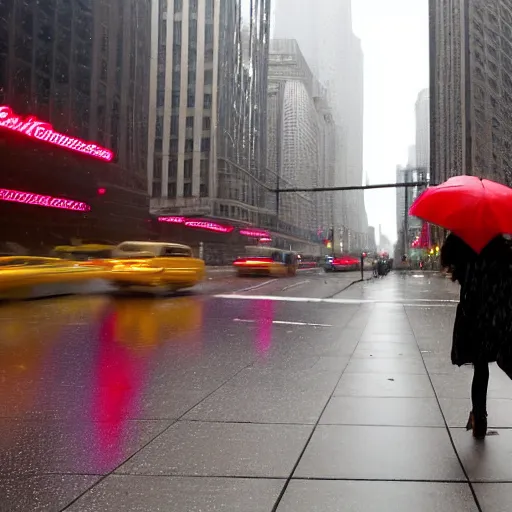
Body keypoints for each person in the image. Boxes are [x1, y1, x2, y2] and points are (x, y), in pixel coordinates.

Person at [441, 233, 512, 439]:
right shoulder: (504, 252)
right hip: (502, 316)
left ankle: (479, 417)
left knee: (480, 367)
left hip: (478, 320)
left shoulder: (469, 253)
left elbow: (469, 294)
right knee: (505, 358)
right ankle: (478, 416)